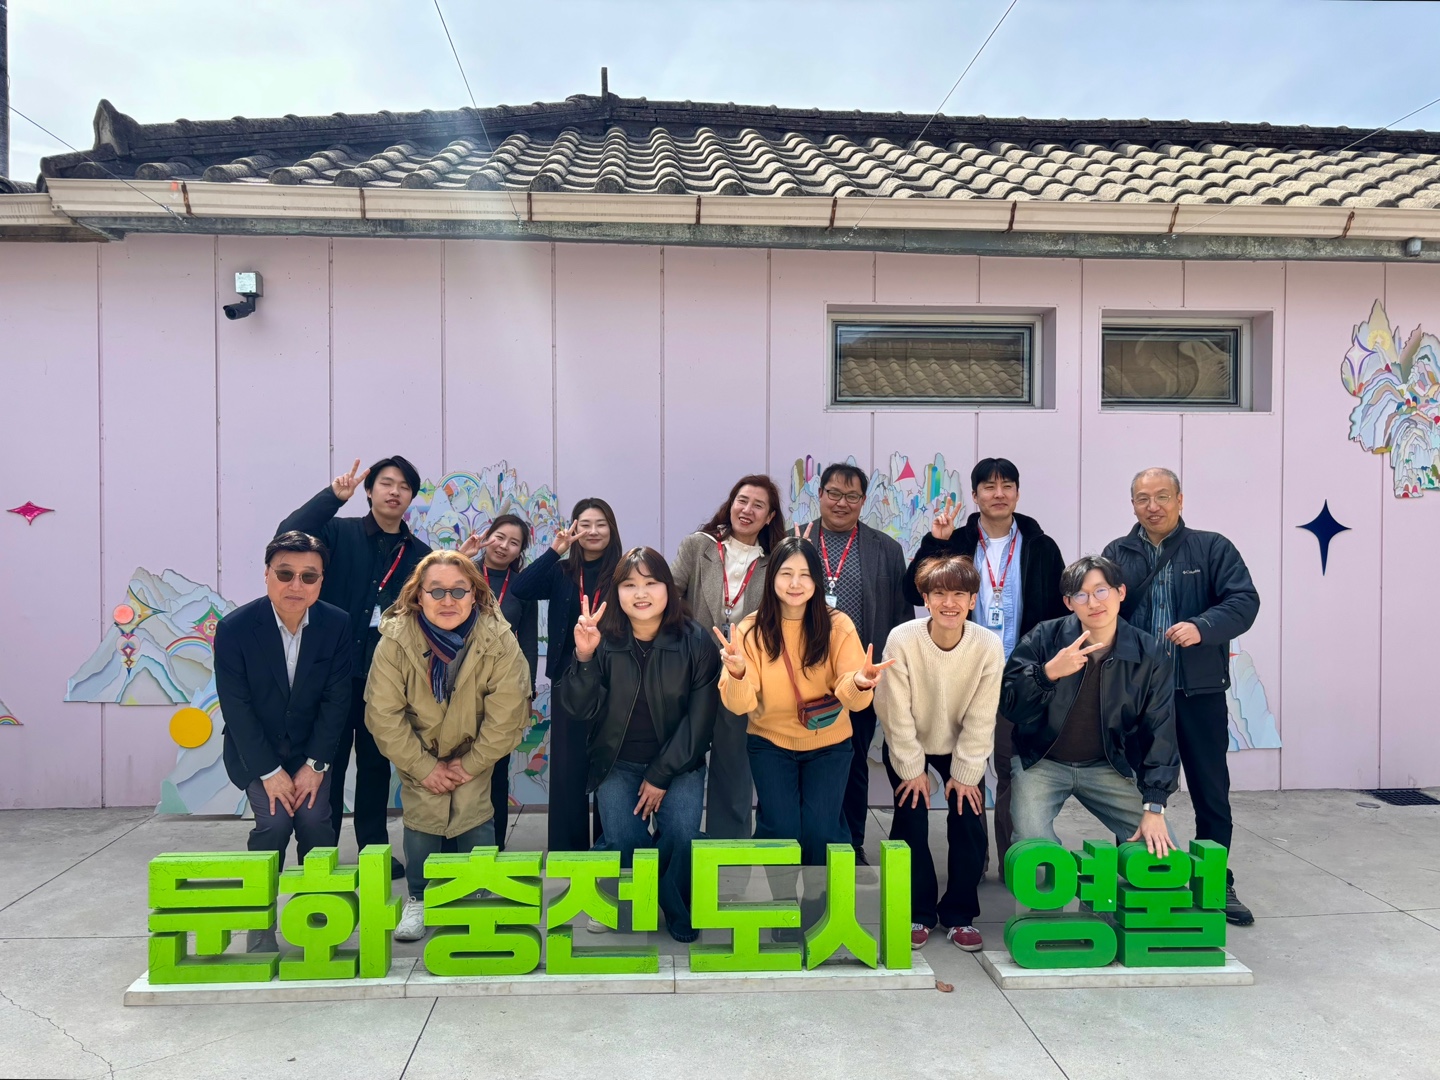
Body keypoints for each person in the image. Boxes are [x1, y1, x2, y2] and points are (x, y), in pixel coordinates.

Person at [1103, 467, 1261, 926]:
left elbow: (1244, 601)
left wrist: (1202, 627)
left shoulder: (1212, 548)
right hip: (1137, 696)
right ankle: (1139, 877)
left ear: (1180, 499)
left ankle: (1215, 881)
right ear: (1132, 504)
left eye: (1162, 496)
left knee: (1211, 791)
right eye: (1143, 498)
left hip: (1197, 691)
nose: (1152, 506)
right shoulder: (1117, 554)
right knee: (1134, 791)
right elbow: (1102, 610)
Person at [717, 535, 894, 930]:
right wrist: (738, 673)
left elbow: (852, 697)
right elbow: (740, 705)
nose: (795, 583)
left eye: (804, 574)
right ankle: (782, 904)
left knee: (820, 828)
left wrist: (861, 682)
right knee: (780, 826)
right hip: (769, 741)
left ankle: (817, 903)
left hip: (829, 743)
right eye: (786, 573)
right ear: (771, 578)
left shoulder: (837, 625)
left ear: (816, 580)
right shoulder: (750, 629)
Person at [903, 457, 1066, 880]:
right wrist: (935, 544)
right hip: (963, 675)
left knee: (1014, 772)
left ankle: (1015, 862)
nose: (999, 494)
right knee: (967, 769)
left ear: (1017, 493)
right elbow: (913, 592)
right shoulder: (955, 541)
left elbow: (1057, 615)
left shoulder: (1041, 546)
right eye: (989, 487)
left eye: (1007, 485)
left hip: (1020, 679)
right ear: (975, 496)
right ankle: (972, 864)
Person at [364, 551, 531, 941]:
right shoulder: (395, 640)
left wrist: (470, 764)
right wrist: (425, 768)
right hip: (420, 752)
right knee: (423, 819)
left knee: (475, 815)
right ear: (418, 595)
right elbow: (383, 713)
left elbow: (508, 710)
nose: (447, 600)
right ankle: (420, 898)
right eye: (436, 591)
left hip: (475, 751)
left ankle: (477, 895)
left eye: (459, 590)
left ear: (475, 594)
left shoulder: (498, 638)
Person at [278, 456, 431, 879]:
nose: (394, 491)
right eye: (386, 483)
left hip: (385, 679)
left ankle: (373, 852)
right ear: (368, 490)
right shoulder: (336, 534)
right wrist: (333, 497)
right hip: (330, 675)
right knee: (324, 762)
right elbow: (287, 533)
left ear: (411, 498)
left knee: (376, 767)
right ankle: (320, 853)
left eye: (404, 486)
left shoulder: (420, 556)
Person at [560, 547, 720, 942]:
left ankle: (676, 904)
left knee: (681, 834)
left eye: (651, 583)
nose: (641, 593)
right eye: (629, 585)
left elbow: (700, 723)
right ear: (617, 592)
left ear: (669, 588)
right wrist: (584, 656)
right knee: (623, 837)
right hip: (617, 761)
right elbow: (579, 709)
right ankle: (618, 895)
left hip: (679, 764)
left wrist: (661, 775)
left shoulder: (696, 640)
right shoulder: (602, 638)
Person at [213, 531, 352, 952]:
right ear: (267, 575)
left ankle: (318, 917)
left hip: (313, 752)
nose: (296, 585)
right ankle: (260, 922)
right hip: (257, 752)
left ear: (321, 581)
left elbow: (336, 700)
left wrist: (316, 765)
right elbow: (236, 707)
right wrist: (270, 772)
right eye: (285, 574)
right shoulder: (236, 628)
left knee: (314, 820)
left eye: (309, 576)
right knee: (273, 824)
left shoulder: (336, 624)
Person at [1003, 555, 1179, 862]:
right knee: (1034, 848)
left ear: (1120, 592)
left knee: (1160, 856)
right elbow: (1010, 707)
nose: (1093, 603)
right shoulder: (1044, 637)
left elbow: (1161, 730)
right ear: (1068, 603)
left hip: (1106, 764)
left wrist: (1154, 805)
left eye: (1101, 590)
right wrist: (1047, 674)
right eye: (1081, 595)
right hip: (1042, 762)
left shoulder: (1149, 654)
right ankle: (1056, 893)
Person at [876, 554, 1004, 952]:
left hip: (961, 742)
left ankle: (959, 914)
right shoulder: (902, 638)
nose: (949, 603)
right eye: (939, 594)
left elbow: (982, 716)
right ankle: (918, 911)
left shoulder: (987, 645)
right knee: (910, 818)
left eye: (959, 594)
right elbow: (894, 710)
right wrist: (912, 768)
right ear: (926, 599)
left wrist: (965, 774)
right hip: (910, 739)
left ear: (972, 600)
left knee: (969, 819)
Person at [805, 462, 912, 863]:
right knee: (803, 760)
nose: (841, 503)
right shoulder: (797, 542)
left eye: (851, 496)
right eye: (834, 493)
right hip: (803, 674)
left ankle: (850, 843)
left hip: (860, 676)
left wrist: (891, 673)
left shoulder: (886, 549)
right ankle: (808, 841)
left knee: (852, 760)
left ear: (863, 501)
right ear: (820, 495)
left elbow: (901, 618)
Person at [671, 474, 786, 839]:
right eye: (742, 500)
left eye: (758, 505)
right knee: (678, 755)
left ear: (769, 517)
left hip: (741, 675)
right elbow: (670, 594)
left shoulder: (774, 562)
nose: (747, 510)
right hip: (690, 669)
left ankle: (727, 849)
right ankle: (675, 841)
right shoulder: (698, 546)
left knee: (733, 765)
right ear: (730, 503)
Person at [511, 497, 623, 852]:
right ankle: (568, 851)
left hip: (617, 680)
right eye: (584, 524)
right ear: (573, 529)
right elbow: (521, 588)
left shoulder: (625, 571)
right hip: (567, 678)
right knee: (568, 767)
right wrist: (554, 550)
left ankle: (611, 844)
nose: (593, 531)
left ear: (612, 529)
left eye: (601, 524)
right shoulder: (561, 572)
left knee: (611, 764)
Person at [467, 513, 540, 851]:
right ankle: (454, 841)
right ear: (487, 536)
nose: (503, 546)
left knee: (495, 766)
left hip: (500, 689)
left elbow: (528, 642)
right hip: (458, 685)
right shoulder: (462, 571)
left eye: (514, 543)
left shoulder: (523, 586)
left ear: (520, 551)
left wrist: (527, 690)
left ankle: (493, 843)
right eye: (499, 537)